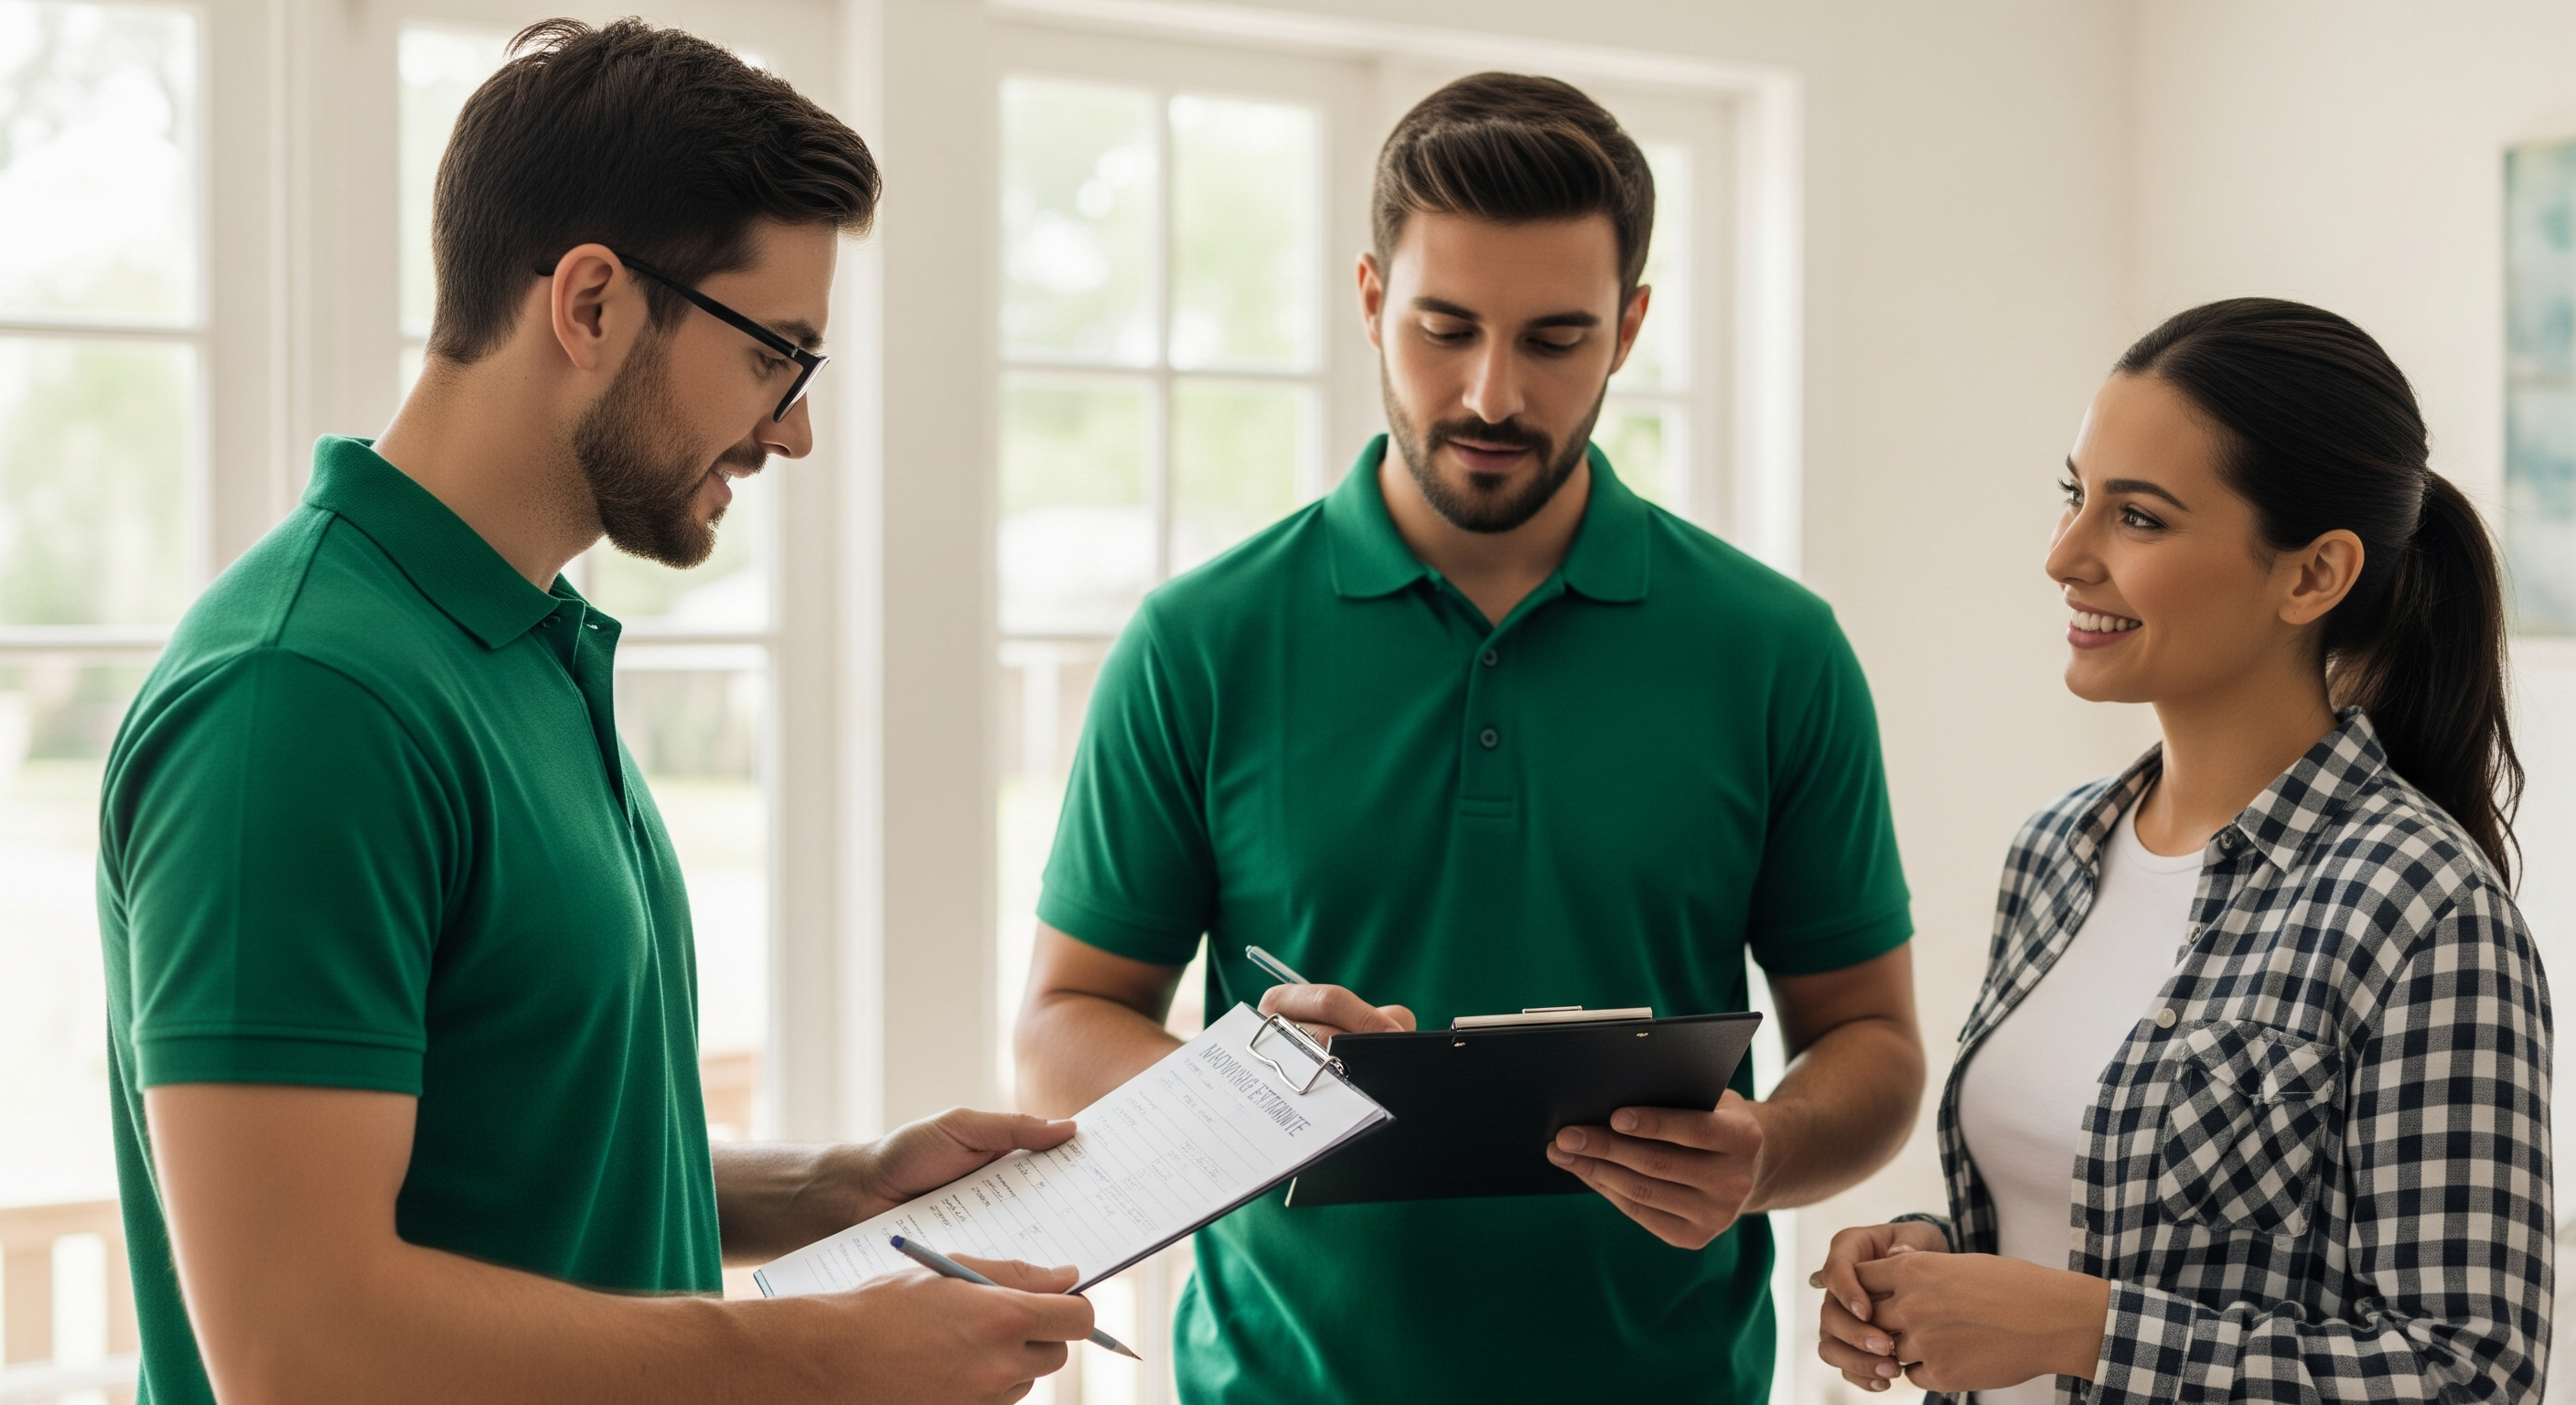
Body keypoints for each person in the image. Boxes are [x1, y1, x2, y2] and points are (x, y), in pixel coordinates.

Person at [98, 20, 1090, 1405]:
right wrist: (820, 1354)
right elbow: (299, 1344)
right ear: (591, 304)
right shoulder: (303, 700)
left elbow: (522, 1145)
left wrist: (829, 1188)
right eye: (776, 356)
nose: (793, 429)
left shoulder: (518, 642)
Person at [1015, 72, 1924, 1402]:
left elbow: (1873, 1042)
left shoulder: (1777, 650)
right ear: (1370, 300)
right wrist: (1247, 1097)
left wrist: (1766, 1156)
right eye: (1444, 329)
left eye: (1555, 339)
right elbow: (1063, 1023)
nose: (1492, 394)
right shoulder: (1198, 642)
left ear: (1630, 328)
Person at [1816, 298, 2552, 1405]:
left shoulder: (2418, 907)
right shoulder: (2054, 852)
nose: (2063, 556)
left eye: (2137, 518)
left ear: (2311, 575)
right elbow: (2082, 1217)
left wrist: (2087, 1331)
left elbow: (2468, 1374)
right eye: (2073, 496)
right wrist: (1928, 1262)